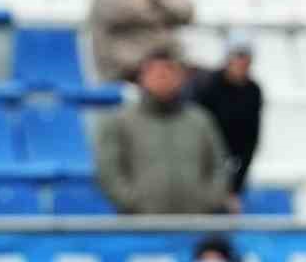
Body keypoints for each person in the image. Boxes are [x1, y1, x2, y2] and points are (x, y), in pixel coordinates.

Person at [95, 51, 231, 215]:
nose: (164, 78)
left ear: (181, 78)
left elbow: (218, 165)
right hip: (142, 227)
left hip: (195, 225)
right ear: (142, 78)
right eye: (157, 73)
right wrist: (132, 202)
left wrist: (209, 200)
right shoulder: (120, 122)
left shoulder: (200, 120)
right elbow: (109, 170)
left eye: (170, 72)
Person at [191, 32, 264, 210]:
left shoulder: (253, 92)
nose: (242, 61)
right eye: (237, 55)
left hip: (229, 164)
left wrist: (235, 188)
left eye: (246, 56)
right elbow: (196, 132)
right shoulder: (208, 86)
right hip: (203, 162)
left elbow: (250, 142)